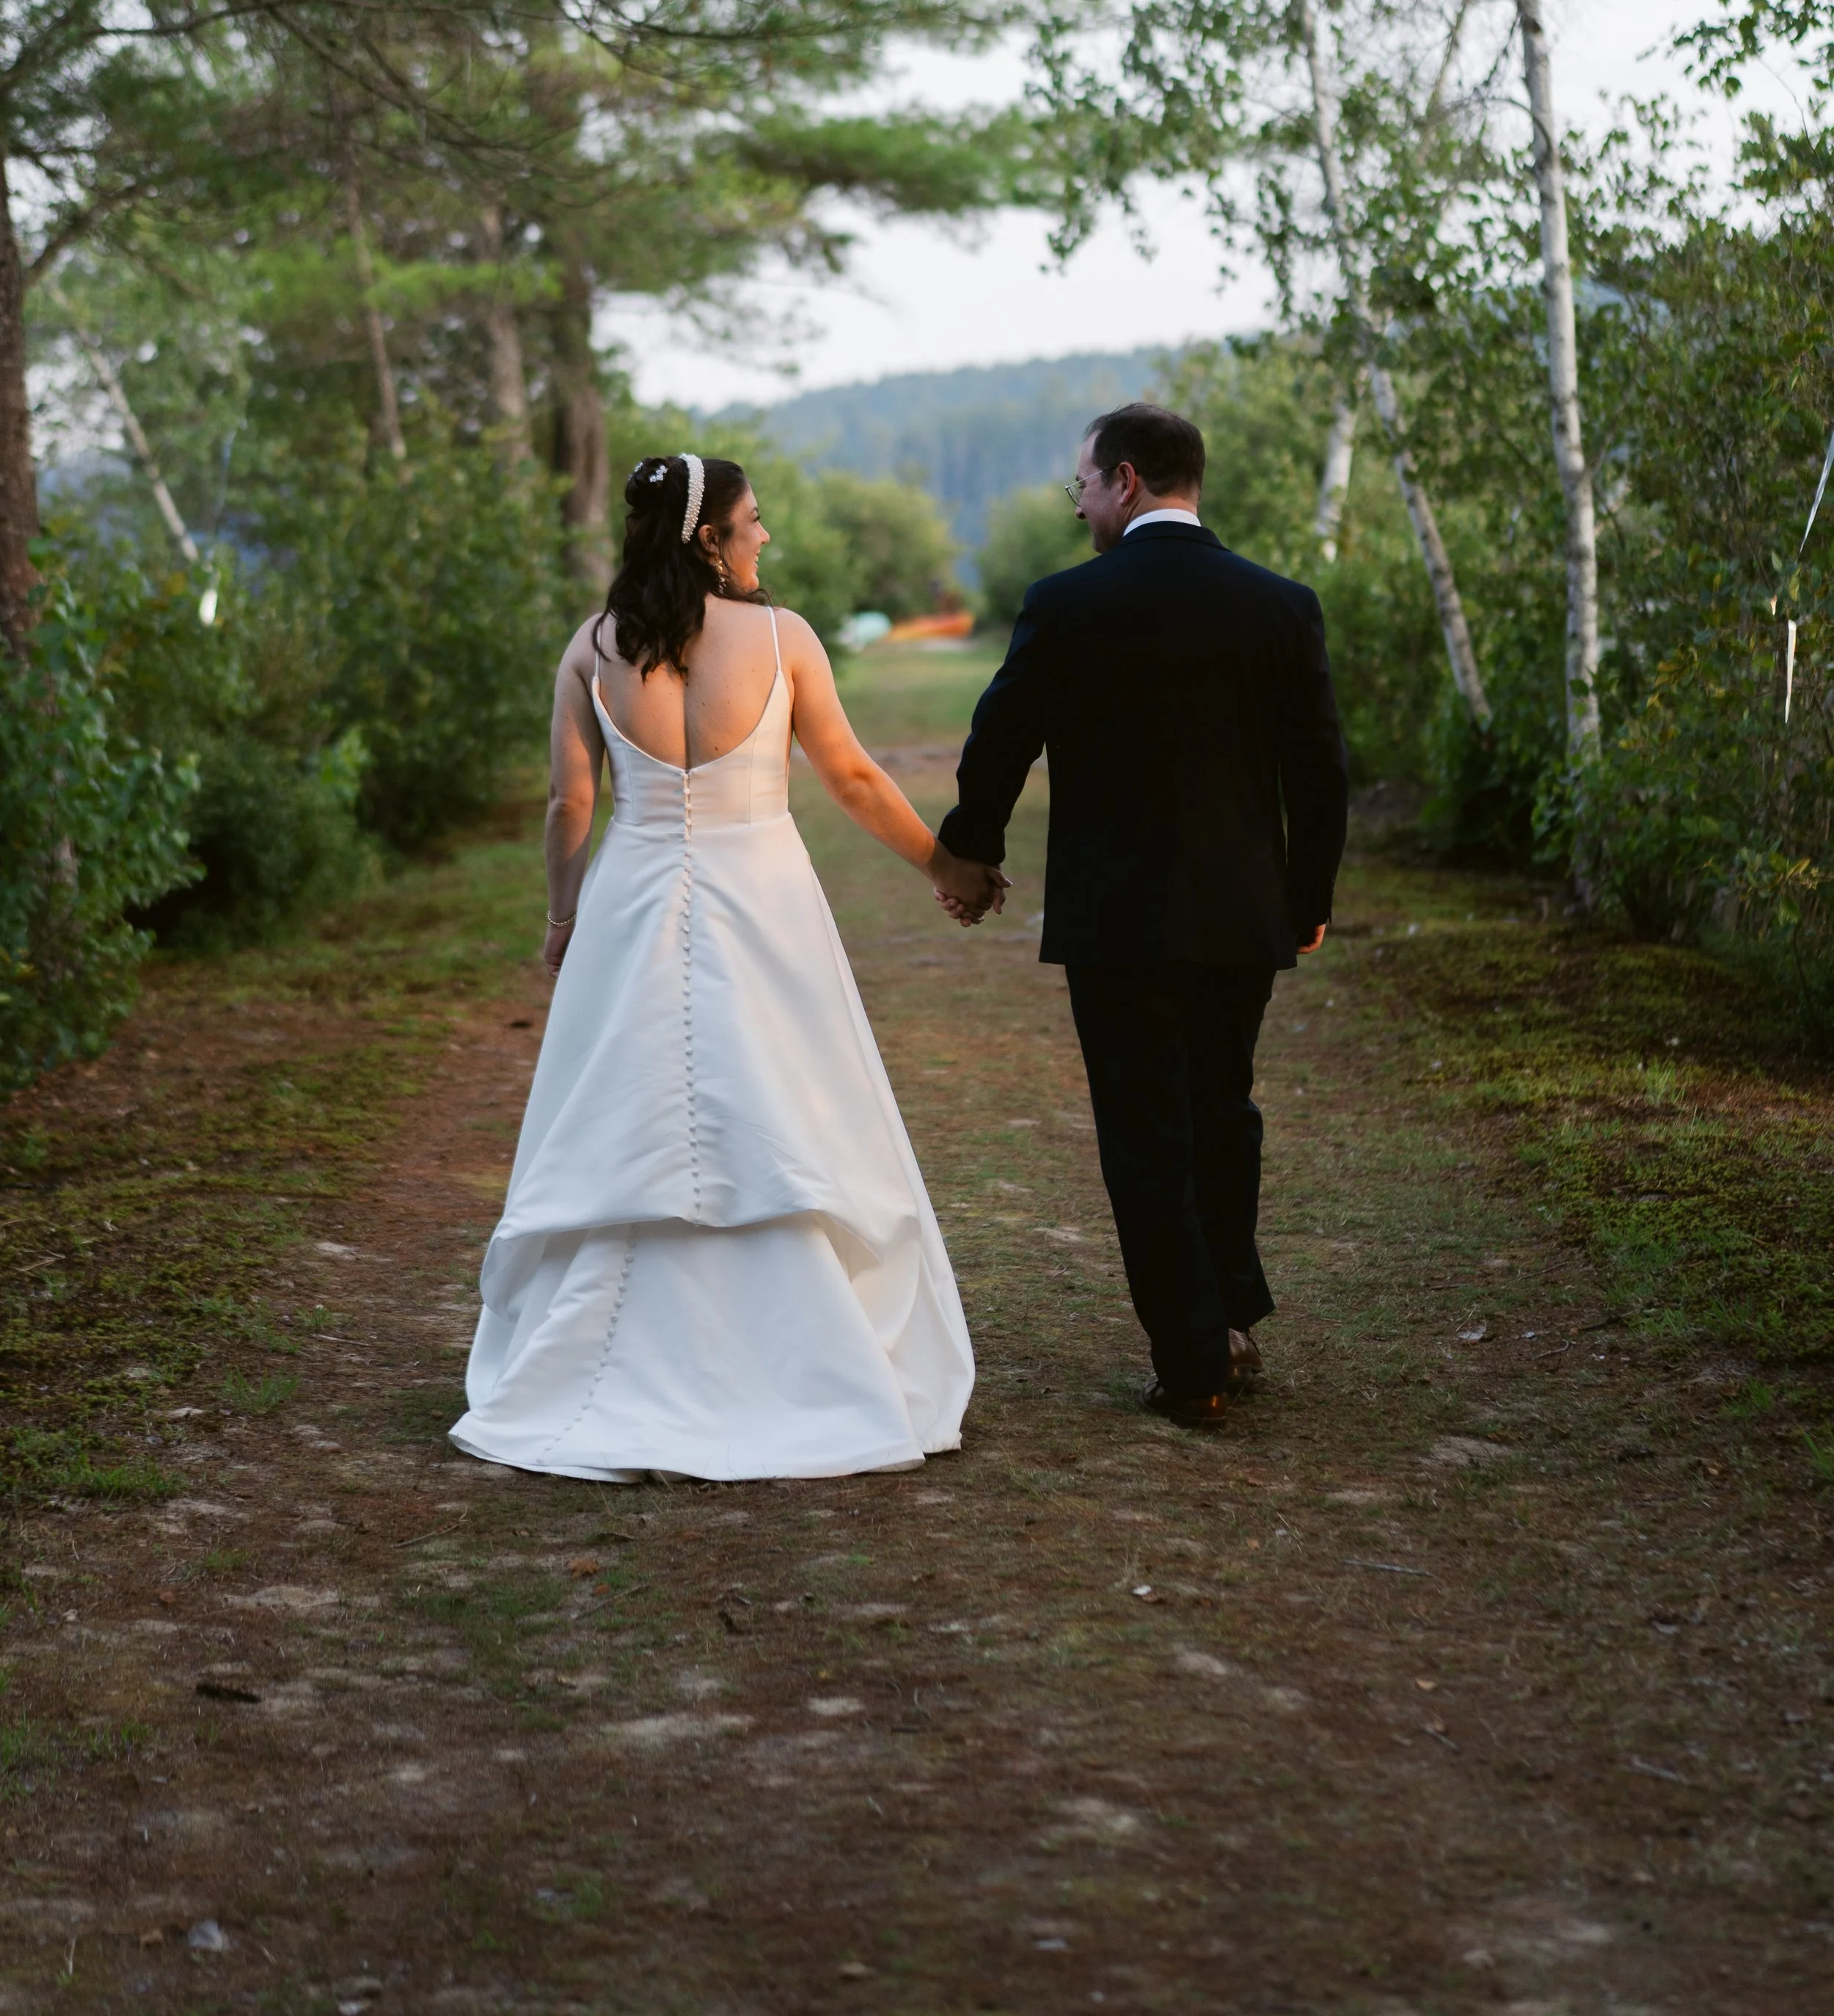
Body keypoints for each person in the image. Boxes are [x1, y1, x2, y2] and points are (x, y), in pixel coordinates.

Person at [450, 453, 994, 1483]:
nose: (765, 536)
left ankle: (604, 1361)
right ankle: (803, 1353)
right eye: (754, 521)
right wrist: (944, 865)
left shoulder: (594, 645)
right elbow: (850, 774)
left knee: (629, 1108)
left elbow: (570, 803)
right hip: (764, 896)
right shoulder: (784, 638)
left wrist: (563, 918)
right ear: (711, 538)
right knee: (783, 1102)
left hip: (633, 900)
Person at [934, 401, 1348, 1428]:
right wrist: (1306, 902)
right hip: (1241, 916)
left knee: (1146, 1133)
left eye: (1081, 485)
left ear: (1124, 479)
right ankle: (1230, 1318)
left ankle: (1194, 1360)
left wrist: (973, 850)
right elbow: (1321, 775)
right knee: (1223, 1112)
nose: (1078, 506)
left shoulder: (1067, 603)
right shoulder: (1280, 604)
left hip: (1117, 920)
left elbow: (1000, 739)